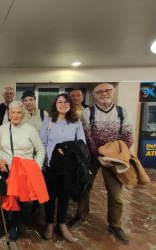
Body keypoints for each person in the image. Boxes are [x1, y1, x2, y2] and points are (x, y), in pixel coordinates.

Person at [69, 83, 133, 244]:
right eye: (100, 91)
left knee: (116, 194)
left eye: (108, 90)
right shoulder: (87, 112)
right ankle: (81, 215)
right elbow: (87, 136)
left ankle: (115, 225)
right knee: (85, 186)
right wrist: (99, 155)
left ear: (113, 92)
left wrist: (114, 157)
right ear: (95, 94)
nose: (104, 94)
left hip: (115, 159)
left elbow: (128, 136)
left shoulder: (122, 112)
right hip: (93, 157)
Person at [0, 101, 46, 241]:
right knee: (3, 198)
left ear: (23, 114)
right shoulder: (2, 129)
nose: (16, 115)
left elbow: (40, 150)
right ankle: (3, 225)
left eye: (19, 112)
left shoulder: (30, 129)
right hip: (6, 170)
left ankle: (16, 226)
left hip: (23, 172)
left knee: (20, 202)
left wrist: (36, 168)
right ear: (9, 114)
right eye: (13, 112)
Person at [39, 93, 85, 242]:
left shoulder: (76, 122)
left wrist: (67, 150)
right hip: (51, 165)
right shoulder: (48, 121)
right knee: (50, 196)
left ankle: (62, 224)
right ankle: (49, 224)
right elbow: (42, 143)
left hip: (69, 166)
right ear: (55, 104)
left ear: (70, 105)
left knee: (64, 196)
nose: (63, 104)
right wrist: (47, 159)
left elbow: (81, 143)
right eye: (60, 102)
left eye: (66, 102)